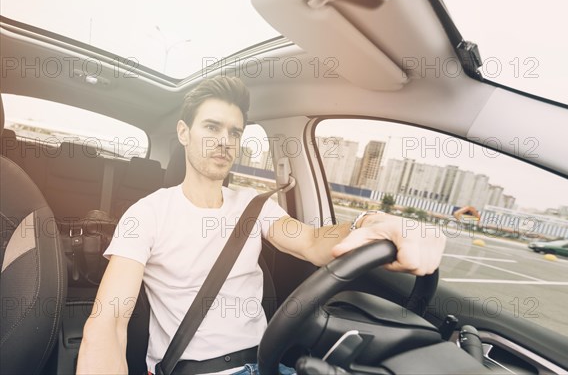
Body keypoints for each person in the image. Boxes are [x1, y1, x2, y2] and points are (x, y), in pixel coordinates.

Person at [76, 76, 446, 375]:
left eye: (235, 132)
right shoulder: (148, 214)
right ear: (184, 133)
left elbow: (312, 241)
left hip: (270, 363)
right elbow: (108, 321)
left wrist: (372, 225)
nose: (224, 141)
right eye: (212, 127)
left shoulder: (254, 205)